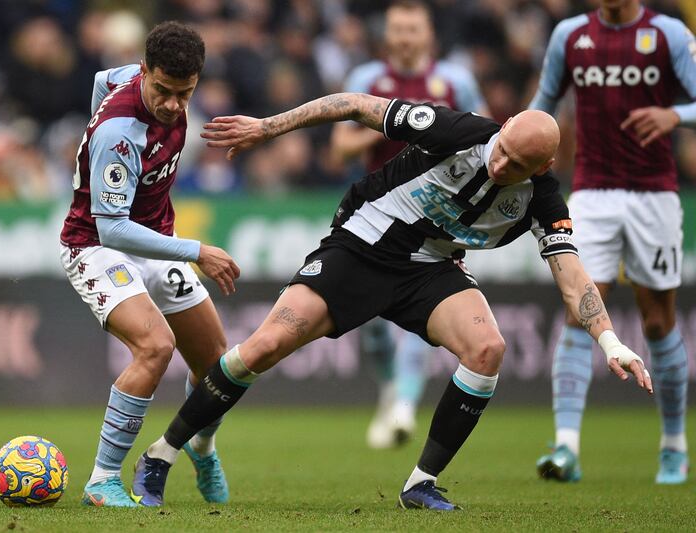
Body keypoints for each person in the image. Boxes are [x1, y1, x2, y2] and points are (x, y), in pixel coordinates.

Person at [140, 92, 653, 511]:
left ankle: (420, 484)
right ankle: (160, 456)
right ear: (504, 126)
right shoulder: (456, 130)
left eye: (517, 165)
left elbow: (572, 276)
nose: (499, 165)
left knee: (487, 349)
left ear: (544, 167)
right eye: (500, 149)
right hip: (363, 244)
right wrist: (267, 127)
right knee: (264, 347)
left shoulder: (542, 201)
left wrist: (609, 341)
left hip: (429, 269)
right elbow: (351, 104)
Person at [59, 21, 240, 508]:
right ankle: (102, 480)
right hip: (96, 245)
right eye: (163, 91)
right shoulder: (120, 133)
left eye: (185, 93)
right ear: (145, 72)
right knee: (156, 346)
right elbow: (113, 228)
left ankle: (201, 444)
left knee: (216, 366)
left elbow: (102, 80)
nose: (174, 105)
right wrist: (197, 250)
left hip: (154, 240)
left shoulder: (131, 82)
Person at [530, 0, 696, 484]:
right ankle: (566, 447)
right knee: (580, 310)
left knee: (658, 320)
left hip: (654, 195)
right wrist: (525, 145)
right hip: (591, 193)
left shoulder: (667, 33)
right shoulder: (569, 36)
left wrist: (673, 116)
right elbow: (543, 102)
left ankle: (673, 445)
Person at [330, 0, 490, 449]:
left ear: (428, 35)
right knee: (376, 322)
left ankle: (403, 405)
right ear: (387, 35)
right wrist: (400, 125)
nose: (404, 37)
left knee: (423, 305)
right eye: (397, 29)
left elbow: (488, 138)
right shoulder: (366, 80)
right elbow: (339, 148)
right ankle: (391, 391)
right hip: (377, 213)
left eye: (412, 29)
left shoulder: (456, 81)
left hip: (439, 215)